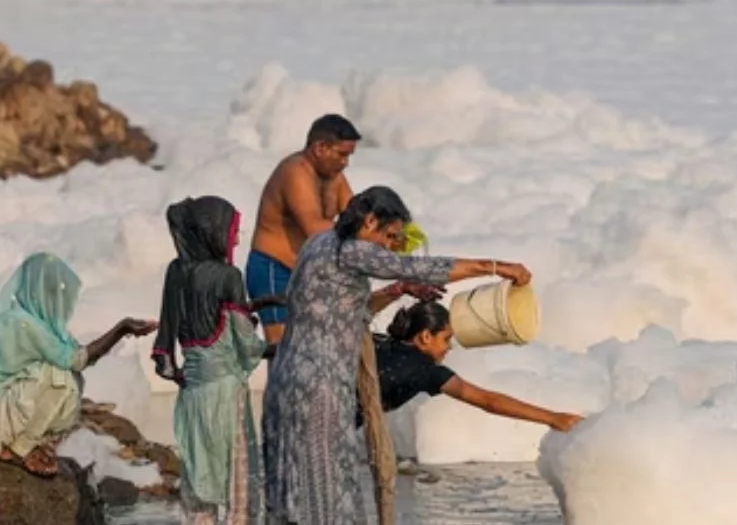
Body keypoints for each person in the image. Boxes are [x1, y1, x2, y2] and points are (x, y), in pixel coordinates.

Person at [262, 185, 533, 525]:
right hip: (320, 387)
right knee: (326, 491)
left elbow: (347, 313)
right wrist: (495, 266)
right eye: (390, 236)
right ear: (370, 220)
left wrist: (396, 290)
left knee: (290, 486)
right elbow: (419, 268)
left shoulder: (317, 244)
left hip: (286, 379)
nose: (390, 246)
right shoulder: (353, 249)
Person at [0, 252, 158, 478]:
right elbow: (76, 360)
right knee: (59, 375)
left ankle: (20, 442)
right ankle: (18, 448)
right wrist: (122, 329)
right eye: (55, 292)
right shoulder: (22, 324)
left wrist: (122, 330)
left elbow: (78, 356)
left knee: (63, 372)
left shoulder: (33, 322)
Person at [150, 196, 273, 524]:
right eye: (232, 230)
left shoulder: (176, 271)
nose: (235, 238)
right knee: (238, 487)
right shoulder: (228, 276)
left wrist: (185, 374)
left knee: (198, 479)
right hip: (227, 396)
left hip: (192, 395)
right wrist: (278, 345)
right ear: (213, 233)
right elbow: (247, 346)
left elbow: (163, 352)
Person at [358, 302, 583, 432]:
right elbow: (489, 401)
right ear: (426, 336)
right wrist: (553, 418)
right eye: (446, 339)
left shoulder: (377, 343)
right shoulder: (426, 371)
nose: (450, 348)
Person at [246, 113, 360, 345]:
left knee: (311, 349)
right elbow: (315, 229)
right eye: (342, 155)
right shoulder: (295, 171)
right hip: (273, 268)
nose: (345, 163)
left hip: (306, 273)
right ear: (320, 148)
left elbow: (356, 214)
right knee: (282, 350)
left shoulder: (335, 177)